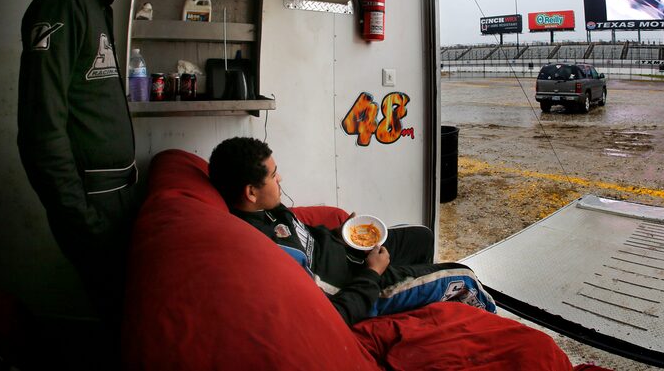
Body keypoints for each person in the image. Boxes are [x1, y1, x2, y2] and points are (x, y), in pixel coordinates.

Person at [17, 0, 144, 332]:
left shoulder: (95, 1)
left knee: (130, 315)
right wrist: (83, 223)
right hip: (93, 204)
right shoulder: (62, 3)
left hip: (118, 195)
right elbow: (40, 131)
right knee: (120, 322)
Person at [208, 136, 497, 325]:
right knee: (465, 277)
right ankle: (491, 321)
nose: (280, 178)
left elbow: (307, 237)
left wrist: (338, 233)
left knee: (422, 236)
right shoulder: (268, 251)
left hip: (351, 254)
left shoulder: (269, 209)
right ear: (251, 192)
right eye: (273, 176)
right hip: (362, 285)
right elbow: (331, 314)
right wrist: (373, 272)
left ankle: (425, 300)